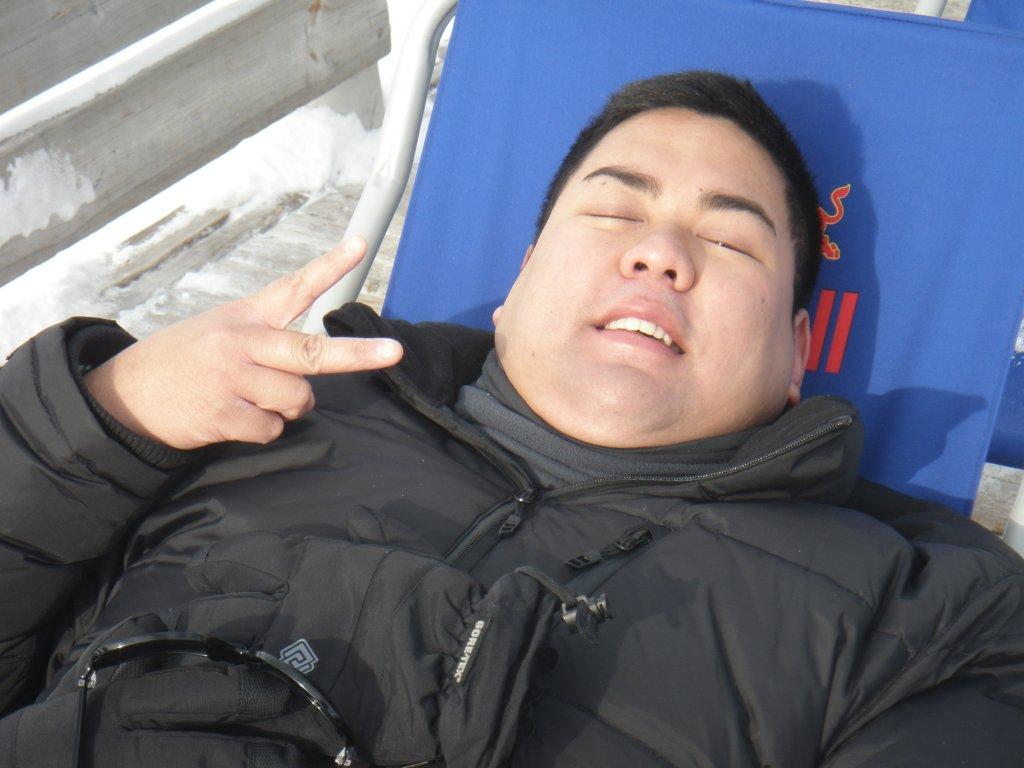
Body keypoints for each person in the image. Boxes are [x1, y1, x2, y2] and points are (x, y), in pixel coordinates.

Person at [1, 71, 1023, 767]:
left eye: (730, 240)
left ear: (800, 352)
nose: (659, 254)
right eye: (614, 211)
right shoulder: (244, 409)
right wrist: (99, 421)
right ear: (520, 278)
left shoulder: (924, 615)